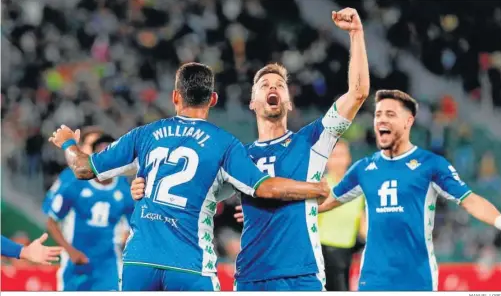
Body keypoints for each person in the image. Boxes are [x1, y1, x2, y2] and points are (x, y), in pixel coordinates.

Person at [130, 7, 369, 291]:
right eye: (265, 84)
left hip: (301, 276)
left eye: (280, 85)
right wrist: (144, 188)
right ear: (252, 102)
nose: (274, 87)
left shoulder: (312, 141)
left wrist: (356, 34)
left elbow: (358, 93)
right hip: (250, 277)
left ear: (289, 102)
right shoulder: (236, 156)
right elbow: (191, 195)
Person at [48, 62, 331, 291]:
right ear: (213, 99)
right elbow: (265, 188)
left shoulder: (144, 135)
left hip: (139, 263)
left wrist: (67, 143)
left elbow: (83, 168)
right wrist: (313, 188)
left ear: (175, 97)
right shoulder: (225, 144)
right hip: (190, 264)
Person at [318, 89, 501, 291]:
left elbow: (470, 200)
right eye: (378, 114)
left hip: (416, 278)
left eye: (390, 114)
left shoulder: (431, 165)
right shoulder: (363, 169)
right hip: (373, 279)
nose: (381, 120)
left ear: (408, 122)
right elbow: (325, 204)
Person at [44, 134, 135, 291]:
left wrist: (127, 239)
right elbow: (51, 221)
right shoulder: (74, 183)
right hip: (76, 261)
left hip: (109, 263)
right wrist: (70, 251)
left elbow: (131, 226)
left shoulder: (124, 188)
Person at [318, 140, 366, 291]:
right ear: (327, 160)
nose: (338, 160)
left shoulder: (357, 189)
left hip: (347, 252)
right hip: (323, 251)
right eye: (334, 155)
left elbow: (362, 221)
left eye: (342, 155)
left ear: (349, 158)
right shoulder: (320, 186)